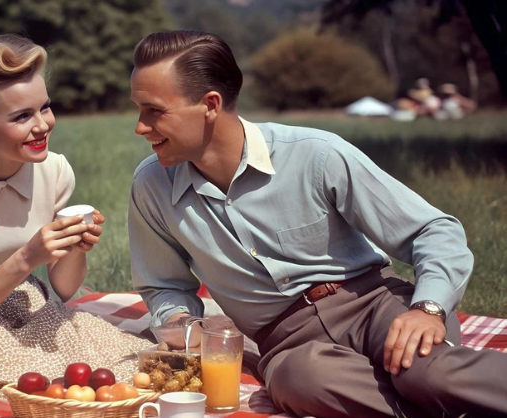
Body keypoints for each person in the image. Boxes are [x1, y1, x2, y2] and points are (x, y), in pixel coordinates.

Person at [127, 30, 507, 418]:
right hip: (290, 346)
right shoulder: (152, 186)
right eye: (139, 110)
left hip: (375, 305)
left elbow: (432, 229)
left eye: (154, 110)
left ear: (210, 105)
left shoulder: (316, 155)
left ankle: (440, 393)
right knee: (299, 381)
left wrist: (428, 308)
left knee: (426, 373)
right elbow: (164, 284)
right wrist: (181, 323)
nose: (140, 126)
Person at [0, 34, 150, 398]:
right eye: (22, 116)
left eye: (44, 108)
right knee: (44, 378)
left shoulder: (54, 171)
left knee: (122, 357)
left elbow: (64, 288)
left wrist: (75, 247)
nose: (42, 125)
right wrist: (28, 257)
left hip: (25, 300)